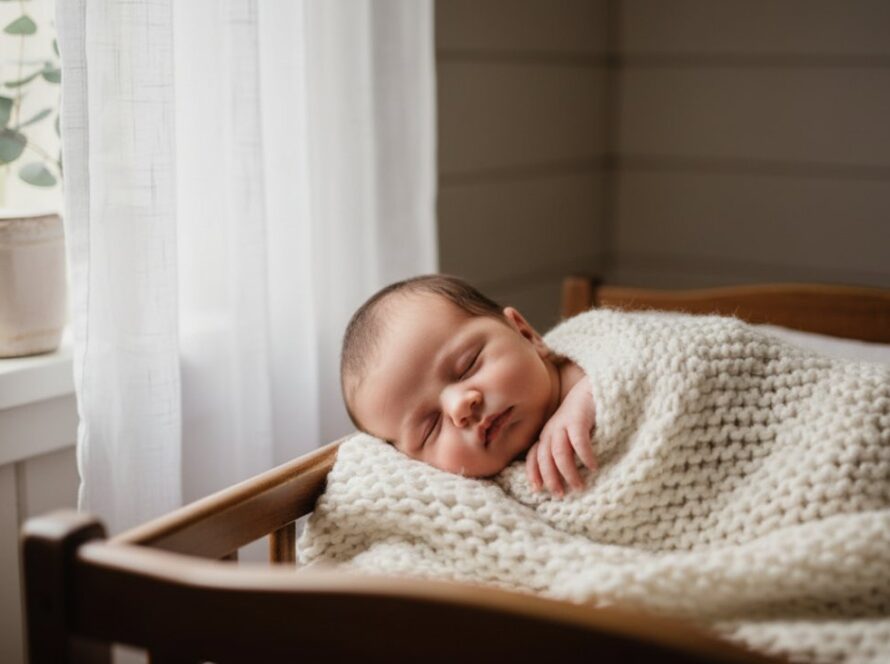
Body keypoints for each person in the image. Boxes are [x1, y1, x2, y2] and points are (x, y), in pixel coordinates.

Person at [341, 274, 597, 497]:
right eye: (430, 428)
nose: (459, 407)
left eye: (468, 366)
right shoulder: (471, 501)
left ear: (525, 333)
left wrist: (591, 392)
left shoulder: (597, 359)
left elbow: (633, 356)